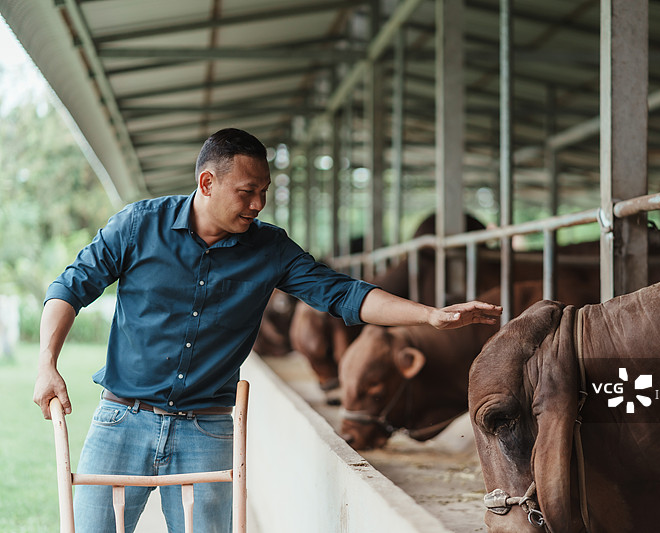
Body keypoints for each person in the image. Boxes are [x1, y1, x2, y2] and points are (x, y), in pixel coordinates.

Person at [33, 128, 501, 532]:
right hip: (123, 420)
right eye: (247, 191)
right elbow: (68, 289)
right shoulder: (138, 227)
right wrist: (46, 365)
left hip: (206, 429)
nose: (258, 203)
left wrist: (430, 316)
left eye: (264, 192)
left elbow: (343, 294)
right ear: (207, 183)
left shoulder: (270, 248)